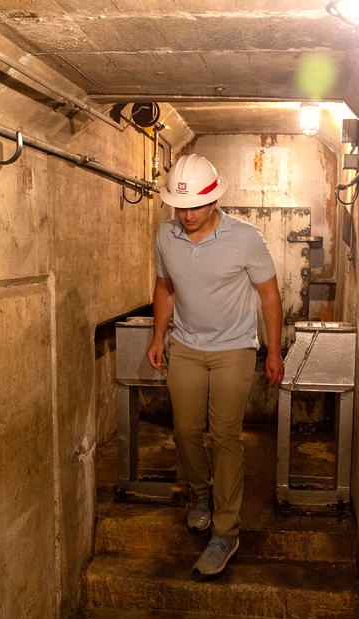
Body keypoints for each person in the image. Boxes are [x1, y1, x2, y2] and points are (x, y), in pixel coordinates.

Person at [146, 154, 284, 577]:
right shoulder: (166, 236)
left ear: (214, 200)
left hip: (234, 350)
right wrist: (157, 335)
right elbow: (165, 286)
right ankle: (201, 493)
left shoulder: (245, 239)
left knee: (224, 436)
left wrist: (274, 351)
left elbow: (270, 296)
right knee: (185, 431)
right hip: (185, 345)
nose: (186, 215)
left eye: (195, 206)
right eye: (179, 206)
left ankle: (225, 531)